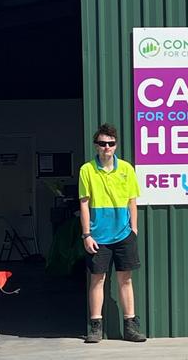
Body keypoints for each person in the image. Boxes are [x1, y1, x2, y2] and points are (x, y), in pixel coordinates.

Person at [79, 123, 146, 343]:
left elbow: (132, 201)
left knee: (125, 279)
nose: (107, 147)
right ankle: (95, 327)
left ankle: (131, 327)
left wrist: (133, 229)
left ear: (116, 146)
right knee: (97, 279)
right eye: (102, 143)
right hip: (98, 237)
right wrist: (87, 234)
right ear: (95, 145)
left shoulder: (127, 169)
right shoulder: (86, 170)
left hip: (124, 234)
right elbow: (84, 203)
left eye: (111, 143)